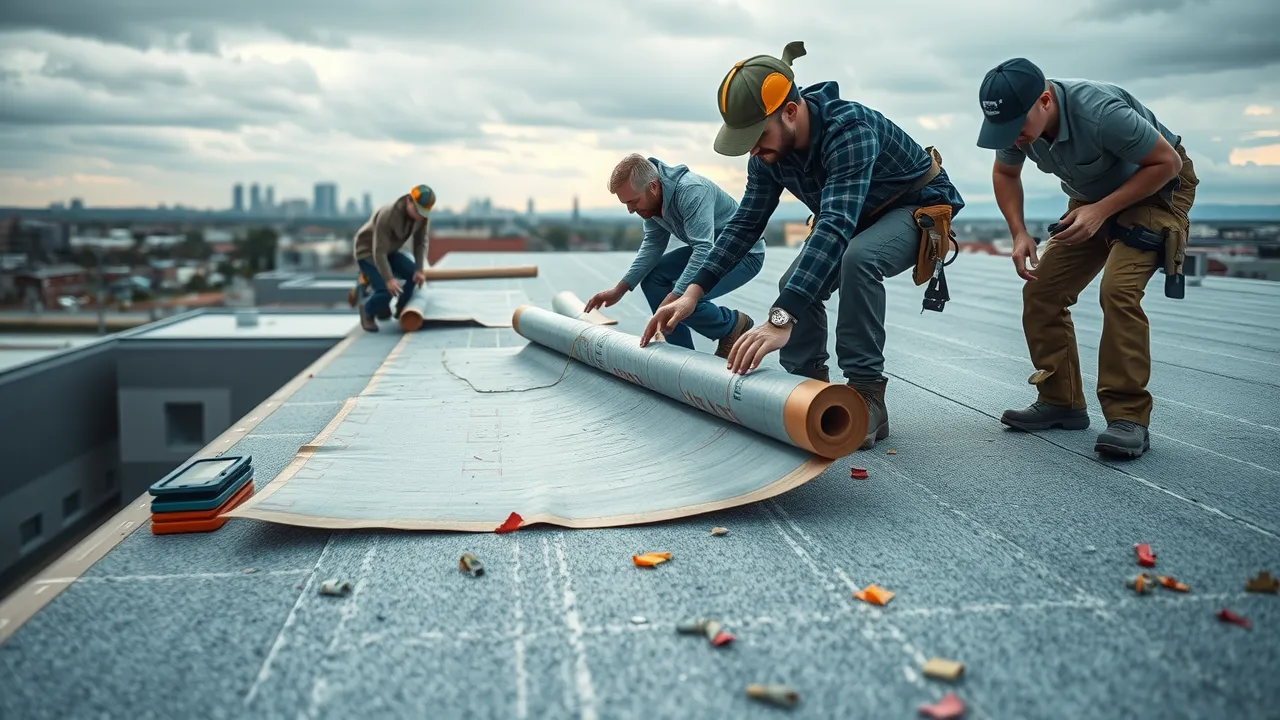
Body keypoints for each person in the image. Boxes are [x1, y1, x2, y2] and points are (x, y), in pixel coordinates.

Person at [642, 42, 965, 451]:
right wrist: (692, 293)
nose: (754, 150)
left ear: (791, 112)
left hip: (914, 208)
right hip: (852, 219)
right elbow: (744, 225)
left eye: (757, 136)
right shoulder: (767, 156)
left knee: (858, 259)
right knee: (794, 281)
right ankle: (808, 388)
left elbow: (834, 226)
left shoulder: (850, 131)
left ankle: (867, 395)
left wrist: (780, 319)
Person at [977, 58, 1197, 459]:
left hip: (1157, 187)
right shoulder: (1017, 125)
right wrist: (1019, 233)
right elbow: (1005, 174)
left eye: (1017, 129)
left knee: (1119, 290)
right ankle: (1062, 402)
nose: (1015, 140)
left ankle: (1128, 418)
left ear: (1045, 101)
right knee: (1042, 289)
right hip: (1092, 194)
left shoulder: (1100, 113)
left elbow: (1168, 163)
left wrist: (1099, 212)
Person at [584, 153, 761, 357]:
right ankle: (680, 355)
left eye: (633, 202)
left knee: (685, 299)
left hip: (743, 254)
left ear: (653, 187)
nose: (630, 210)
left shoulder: (692, 191)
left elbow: (703, 249)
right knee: (653, 280)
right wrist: (619, 289)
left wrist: (675, 298)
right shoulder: (651, 203)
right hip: (710, 250)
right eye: (626, 204)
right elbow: (653, 244)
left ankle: (731, 325)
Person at [352, 184, 434, 332]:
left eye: (423, 213)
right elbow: (379, 252)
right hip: (368, 252)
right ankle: (367, 310)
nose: (419, 216)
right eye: (417, 211)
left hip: (390, 251)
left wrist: (419, 269)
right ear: (409, 200)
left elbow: (420, 242)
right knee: (385, 289)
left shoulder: (422, 217)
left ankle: (401, 308)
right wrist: (389, 279)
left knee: (413, 276)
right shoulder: (388, 215)